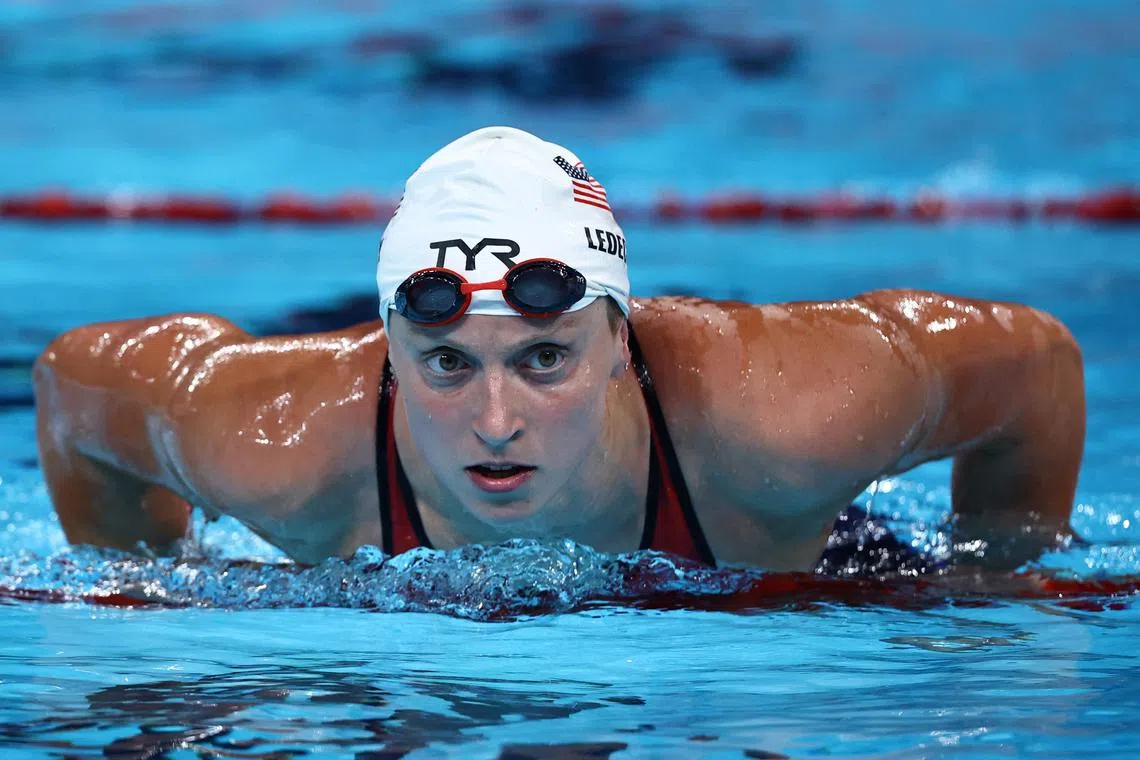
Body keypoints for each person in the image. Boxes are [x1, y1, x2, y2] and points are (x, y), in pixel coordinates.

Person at [33, 126, 1085, 572]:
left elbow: (1036, 367)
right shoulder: (280, 437)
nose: (496, 421)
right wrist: (150, 600)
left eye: (544, 356)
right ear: (390, 351)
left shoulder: (782, 413)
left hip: (808, 547)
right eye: (449, 363)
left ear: (620, 340)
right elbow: (73, 385)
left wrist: (994, 569)